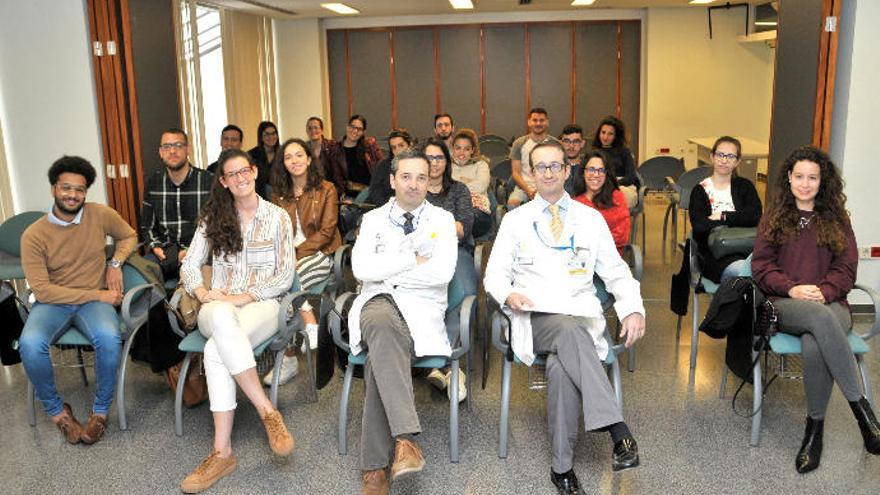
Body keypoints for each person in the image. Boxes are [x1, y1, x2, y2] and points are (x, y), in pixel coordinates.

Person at [484, 141, 645, 494]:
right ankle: (617, 429)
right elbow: (493, 275)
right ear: (531, 172)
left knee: (561, 365)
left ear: (567, 170)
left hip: (579, 319)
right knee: (568, 331)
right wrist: (508, 293)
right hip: (534, 317)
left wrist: (633, 308)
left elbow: (617, 272)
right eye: (540, 167)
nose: (548, 173)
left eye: (556, 166)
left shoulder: (590, 220)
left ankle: (561, 469)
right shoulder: (515, 221)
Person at [751, 145, 880, 474]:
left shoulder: (837, 219)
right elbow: (762, 267)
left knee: (814, 339)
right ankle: (861, 410)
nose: (805, 184)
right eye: (799, 177)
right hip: (786, 304)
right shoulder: (775, 217)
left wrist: (824, 291)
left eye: (813, 177)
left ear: (823, 181)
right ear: (789, 179)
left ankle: (814, 431)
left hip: (831, 303)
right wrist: (792, 288)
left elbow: (846, 269)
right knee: (816, 322)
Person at [178, 149, 296, 493]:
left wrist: (240, 297)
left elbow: (285, 276)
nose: (240, 178)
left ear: (255, 172)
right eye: (232, 174)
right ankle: (267, 411)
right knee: (221, 323)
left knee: (216, 349)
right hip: (216, 307)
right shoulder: (213, 218)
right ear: (224, 181)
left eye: (245, 171)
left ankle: (222, 453)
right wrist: (201, 292)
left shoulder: (277, 217)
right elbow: (189, 265)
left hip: (261, 304)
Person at [348, 148, 457, 495]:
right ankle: (405, 439)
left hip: (420, 309)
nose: (413, 184)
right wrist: (412, 258)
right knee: (380, 320)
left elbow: (442, 273)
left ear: (431, 182)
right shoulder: (374, 219)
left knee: (383, 350)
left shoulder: (441, 220)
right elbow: (362, 271)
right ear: (392, 180)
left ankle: (374, 469)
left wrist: (390, 271)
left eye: (421, 177)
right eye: (406, 177)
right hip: (375, 302)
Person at [20, 156, 138, 445]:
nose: (73, 195)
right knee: (29, 344)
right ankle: (58, 413)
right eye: (66, 188)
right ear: (53, 189)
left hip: (92, 307)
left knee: (110, 339)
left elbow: (129, 236)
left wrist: (115, 264)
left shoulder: (99, 214)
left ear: (86, 192)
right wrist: (98, 294)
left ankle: (99, 413)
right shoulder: (33, 235)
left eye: (80, 189)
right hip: (53, 304)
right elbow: (44, 291)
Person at [265, 138, 342, 387]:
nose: (295, 161)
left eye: (299, 155)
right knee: (282, 287)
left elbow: (327, 231)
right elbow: (274, 233)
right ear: (283, 163)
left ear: (309, 159)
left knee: (287, 285)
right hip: (288, 258)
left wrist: (296, 254)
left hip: (320, 253)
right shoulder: (278, 194)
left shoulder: (326, 189)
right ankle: (309, 321)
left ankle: (288, 355)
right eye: (288, 157)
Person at [423, 138, 476, 402]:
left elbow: (463, 227)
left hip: (457, 253)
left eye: (439, 158)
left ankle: (444, 361)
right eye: (429, 158)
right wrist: (444, 228)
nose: (434, 163)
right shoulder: (413, 189)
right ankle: (448, 368)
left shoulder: (458, 190)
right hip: (421, 257)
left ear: (447, 161)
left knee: (463, 293)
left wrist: (430, 231)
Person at [141, 128, 212, 281]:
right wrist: (156, 247)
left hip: (200, 254)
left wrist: (192, 252)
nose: (172, 151)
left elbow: (218, 226)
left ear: (188, 149)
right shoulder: (153, 183)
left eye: (178, 145)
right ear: (160, 152)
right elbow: (148, 226)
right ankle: (163, 304)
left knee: (200, 279)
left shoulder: (208, 181)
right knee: (140, 274)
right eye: (166, 147)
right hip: (165, 254)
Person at [688, 136, 762, 284]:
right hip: (714, 255)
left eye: (730, 156)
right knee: (746, 272)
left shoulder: (744, 186)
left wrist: (723, 217)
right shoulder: (699, 190)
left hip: (748, 248)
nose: (724, 160)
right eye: (720, 155)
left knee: (767, 269)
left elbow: (755, 216)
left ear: (737, 161)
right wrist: (738, 220)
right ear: (712, 157)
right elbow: (700, 227)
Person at [573, 150, 631, 255]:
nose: (596, 174)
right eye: (591, 169)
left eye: (601, 170)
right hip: (581, 259)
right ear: (583, 173)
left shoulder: (617, 197)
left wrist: (592, 246)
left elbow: (621, 236)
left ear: (606, 174)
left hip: (608, 257)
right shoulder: (576, 201)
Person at [508, 107, 559, 208]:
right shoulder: (519, 143)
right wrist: (529, 191)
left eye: (542, 120)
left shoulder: (555, 144)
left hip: (549, 186)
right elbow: (515, 173)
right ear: (529, 122)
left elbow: (558, 171)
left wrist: (543, 190)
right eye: (535, 120)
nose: (538, 123)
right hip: (524, 187)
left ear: (547, 122)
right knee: (512, 204)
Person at [450, 128, 492, 239]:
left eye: (466, 149)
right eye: (458, 148)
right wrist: (468, 182)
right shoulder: (446, 166)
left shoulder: (481, 164)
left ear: (472, 150)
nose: (461, 153)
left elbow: (480, 187)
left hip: (478, 213)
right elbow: (443, 187)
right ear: (452, 149)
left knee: (465, 219)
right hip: (453, 210)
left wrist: (456, 184)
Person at [590, 116, 640, 208]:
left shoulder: (625, 152)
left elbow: (631, 177)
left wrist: (612, 184)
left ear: (616, 136)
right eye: (603, 132)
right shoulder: (593, 153)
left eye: (610, 134)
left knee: (616, 198)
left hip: (623, 186)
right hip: (599, 186)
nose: (605, 137)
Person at [365, 128, 414, 207]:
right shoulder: (383, 165)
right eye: (394, 148)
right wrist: (390, 207)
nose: (398, 150)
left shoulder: (420, 165)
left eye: (401, 145)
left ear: (410, 145)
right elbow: (374, 192)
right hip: (382, 208)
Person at [341, 114, 384, 196]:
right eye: (352, 127)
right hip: (348, 196)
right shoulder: (337, 149)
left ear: (363, 132)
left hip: (369, 193)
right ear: (347, 127)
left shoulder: (369, 145)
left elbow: (382, 165)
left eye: (359, 129)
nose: (355, 131)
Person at [306, 116, 346, 197]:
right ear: (306, 131)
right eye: (310, 128)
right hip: (310, 192)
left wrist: (338, 193)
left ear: (321, 130)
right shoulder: (303, 149)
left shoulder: (332, 147)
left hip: (330, 191)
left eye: (316, 127)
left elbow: (338, 174)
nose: (313, 131)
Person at [247, 120, 279, 199]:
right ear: (261, 137)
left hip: (279, 195)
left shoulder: (283, 153)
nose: (271, 137)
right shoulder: (252, 155)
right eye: (267, 134)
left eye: (273, 133)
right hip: (258, 196)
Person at [560, 124, 586, 196]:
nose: (571, 146)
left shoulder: (589, 166)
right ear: (561, 143)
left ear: (582, 143)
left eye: (576, 141)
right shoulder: (554, 166)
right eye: (567, 141)